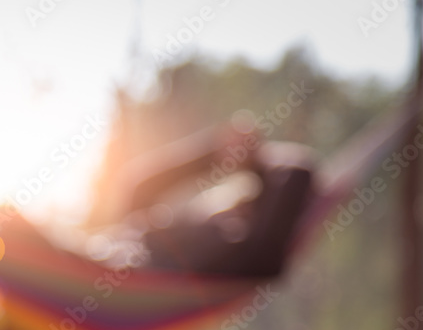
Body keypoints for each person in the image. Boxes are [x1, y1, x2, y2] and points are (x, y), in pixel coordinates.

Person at [116, 118, 318, 277]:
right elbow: (138, 191)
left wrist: (258, 155)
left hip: (128, 266)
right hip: (114, 252)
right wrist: (211, 156)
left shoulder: (234, 241)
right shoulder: (210, 222)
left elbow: (297, 169)